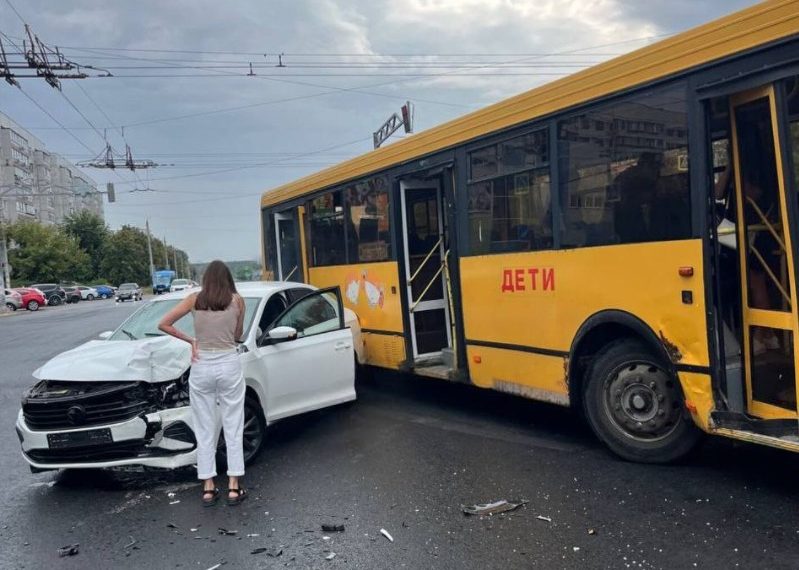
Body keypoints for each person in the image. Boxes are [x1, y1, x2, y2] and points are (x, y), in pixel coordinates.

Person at [158, 260, 248, 506]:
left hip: (202, 364)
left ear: (206, 279)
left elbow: (163, 323)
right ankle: (233, 486)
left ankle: (208, 487)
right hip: (228, 362)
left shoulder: (193, 300)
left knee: (205, 427)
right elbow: (237, 335)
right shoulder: (238, 301)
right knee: (233, 424)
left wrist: (192, 340)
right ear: (228, 279)